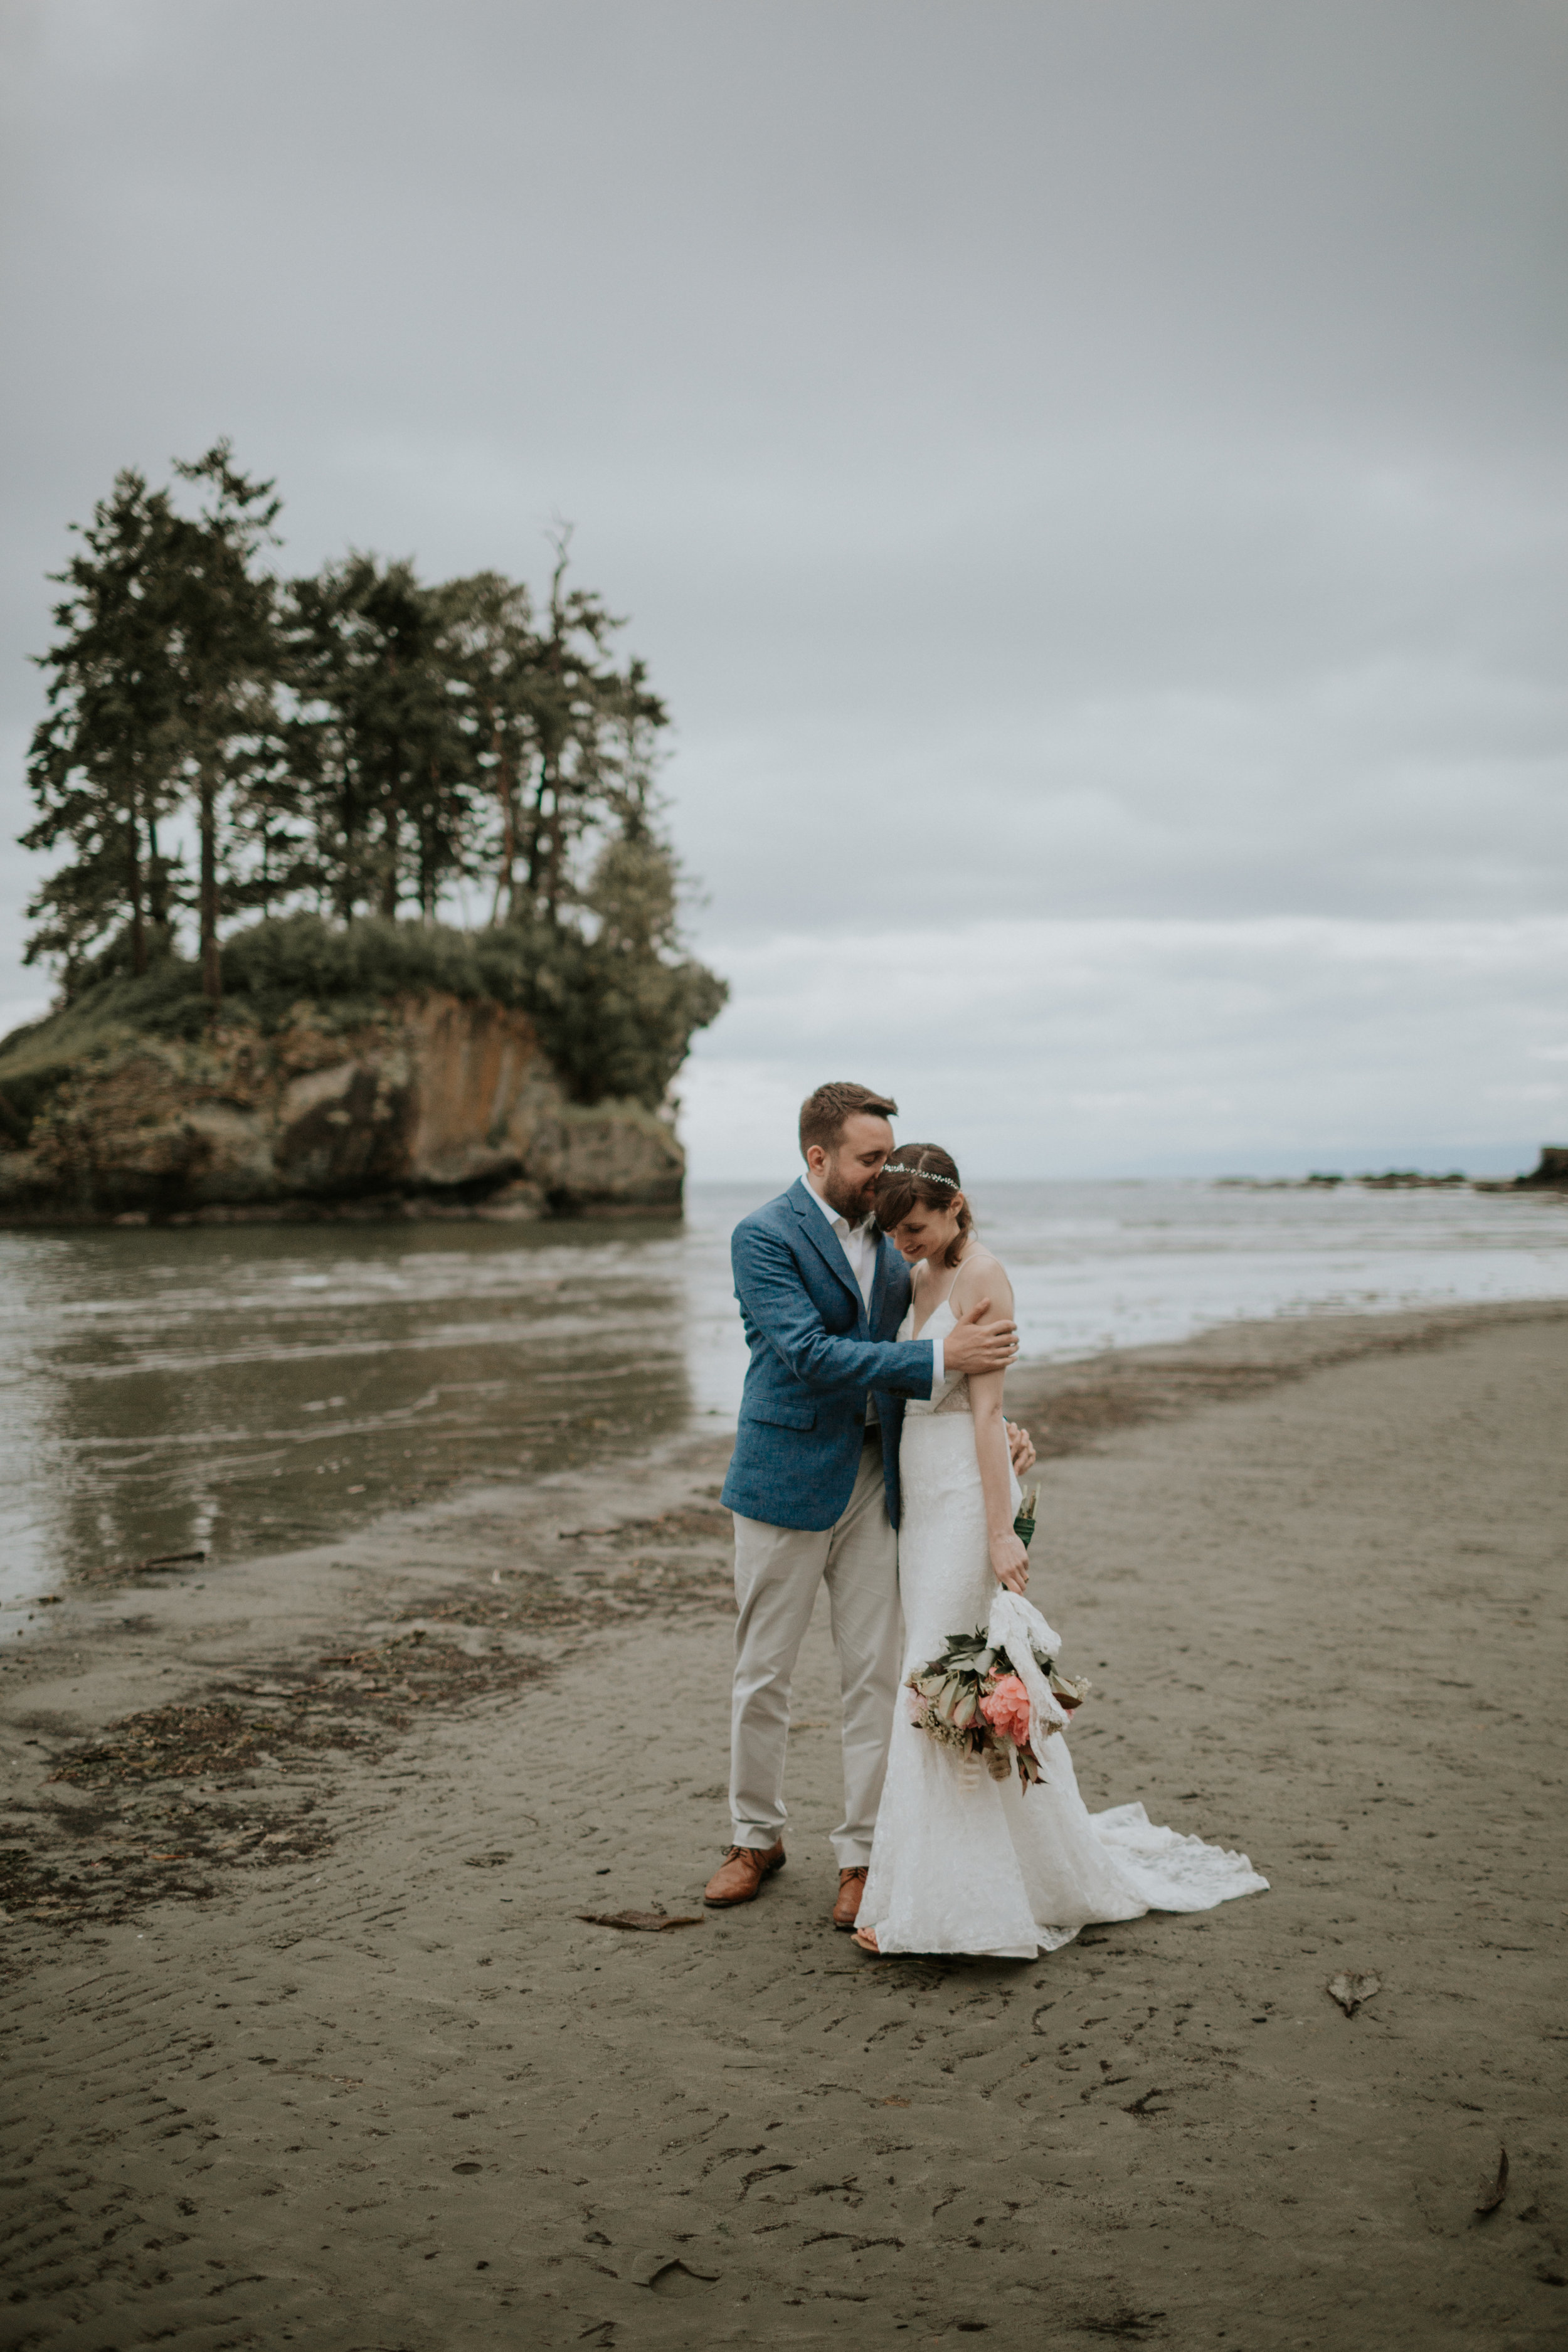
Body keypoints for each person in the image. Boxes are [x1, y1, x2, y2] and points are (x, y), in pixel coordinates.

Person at [852, 1143, 1268, 1959]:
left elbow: (983, 1412)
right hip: (921, 1497)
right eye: (896, 1232)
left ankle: (947, 1903)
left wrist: (1003, 1525)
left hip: (969, 1497)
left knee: (944, 1672)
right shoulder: (915, 1274)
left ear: (956, 1205)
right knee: (931, 1675)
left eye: (916, 1227)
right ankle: (927, 1882)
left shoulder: (983, 1277)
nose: (904, 1243)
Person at [707, 1083, 1037, 1931]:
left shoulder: (901, 1240)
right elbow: (810, 1353)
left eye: (888, 1155)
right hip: (784, 1475)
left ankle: (859, 1854)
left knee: (874, 1675)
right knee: (763, 1674)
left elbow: (943, 1337)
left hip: (878, 1477)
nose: (880, 1172)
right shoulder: (762, 1237)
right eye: (866, 1157)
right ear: (817, 1157)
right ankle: (755, 1837)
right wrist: (941, 1365)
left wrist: (997, 1426)